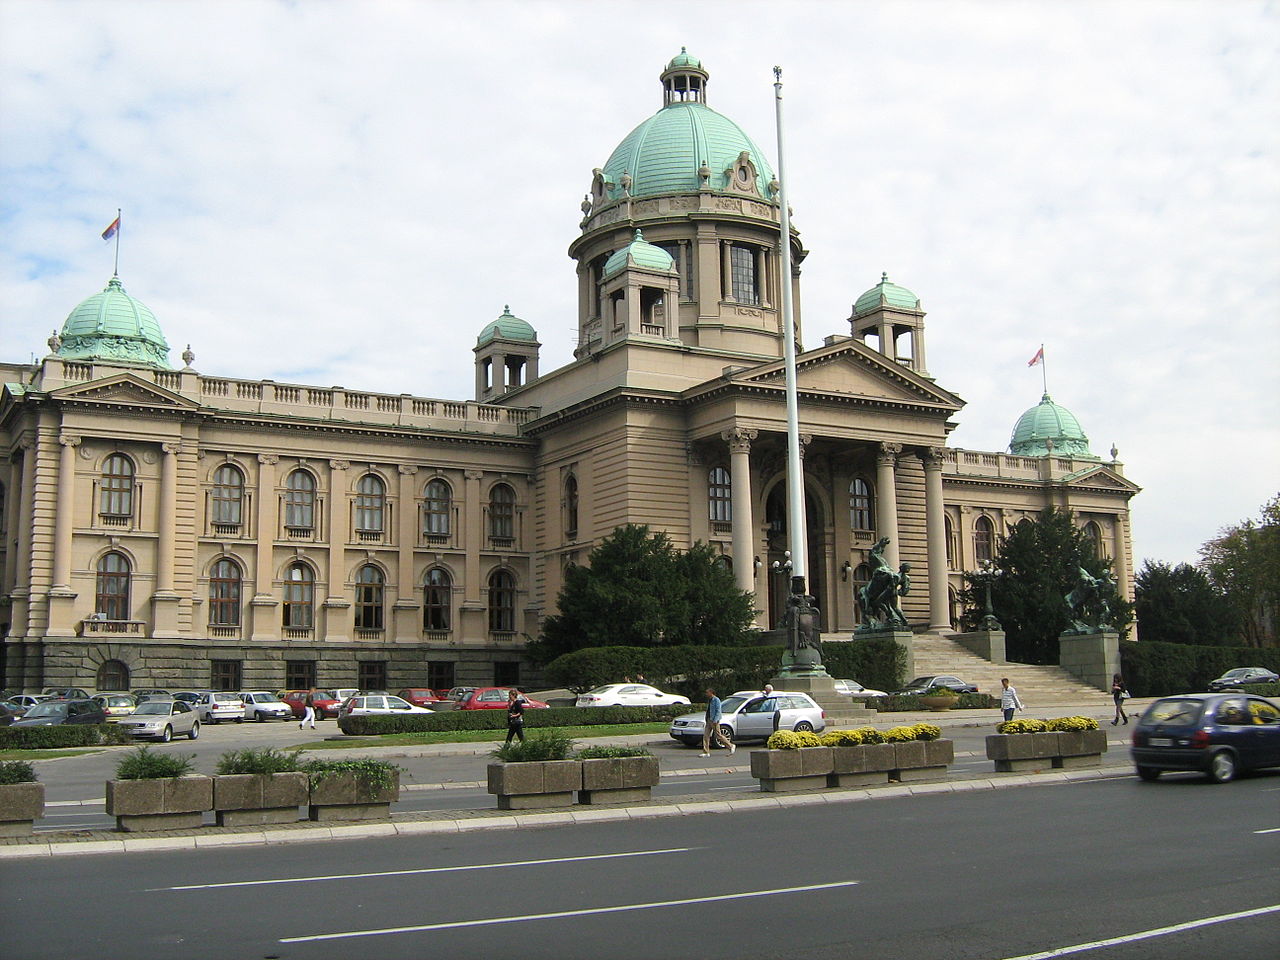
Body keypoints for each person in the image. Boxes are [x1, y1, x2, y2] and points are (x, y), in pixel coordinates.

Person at [700, 687, 735, 757]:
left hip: (714, 720)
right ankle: (706, 752)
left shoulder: (716, 700)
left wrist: (715, 720)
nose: (706, 694)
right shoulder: (710, 700)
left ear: (711, 693)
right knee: (706, 736)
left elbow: (718, 710)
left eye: (707, 692)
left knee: (718, 736)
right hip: (709, 720)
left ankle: (731, 746)